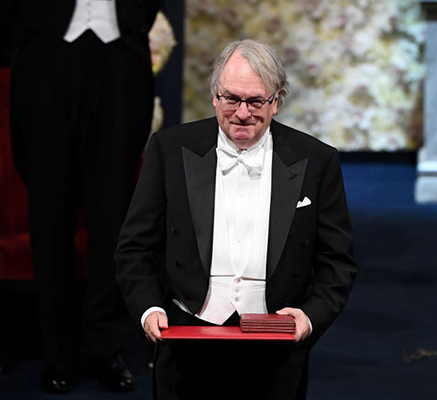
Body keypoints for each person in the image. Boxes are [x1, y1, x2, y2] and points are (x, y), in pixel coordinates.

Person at [115, 39, 358, 399]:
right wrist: (149, 307)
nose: (242, 113)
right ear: (215, 96)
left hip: (275, 344)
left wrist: (309, 317)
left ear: (276, 101)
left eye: (256, 101)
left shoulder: (317, 161)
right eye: (231, 99)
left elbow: (338, 261)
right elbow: (134, 248)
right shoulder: (169, 149)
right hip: (187, 339)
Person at [8, 0, 159, 393]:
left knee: (113, 220)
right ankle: (58, 352)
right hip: (47, 58)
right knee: (50, 217)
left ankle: (104, 348)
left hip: (121, 60)